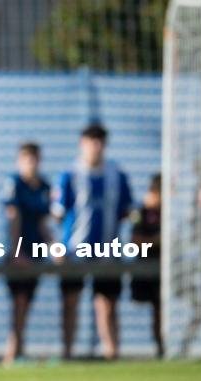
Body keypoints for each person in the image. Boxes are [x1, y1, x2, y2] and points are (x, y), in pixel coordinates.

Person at [53, 123, 133, 360]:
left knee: (108, 304)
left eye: (100, 142)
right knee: (70, 301)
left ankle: (112, 352)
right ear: (82, 144)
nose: (96, 147)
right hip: (74, 252)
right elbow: (56, 215)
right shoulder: (69, 176)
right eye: (91, 141)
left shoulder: (116, 175)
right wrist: (57, 247)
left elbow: (127, 212)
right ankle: (67, 352)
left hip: (108, 251)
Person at [1, 142, 51, 367]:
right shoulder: (14, 184)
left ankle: (18, 351)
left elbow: (42, 222)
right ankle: (11, 352)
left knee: (27, 301)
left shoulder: (43, 186)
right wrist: (16, 250)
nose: (31, 163)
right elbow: (13, 218)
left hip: (36, 252)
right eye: (26, 158)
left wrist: (53, 246)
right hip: (18, 254)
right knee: (19, 301)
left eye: (34, 158)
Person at [130, 173, 162, 358]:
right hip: (146, 268)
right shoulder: (140, 213)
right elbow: (135, 241)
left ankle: (164, 347)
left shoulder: (173, 213)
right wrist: (157, 241)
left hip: (169, 269)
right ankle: (159, 346)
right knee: (155, 308)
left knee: (162, 309)